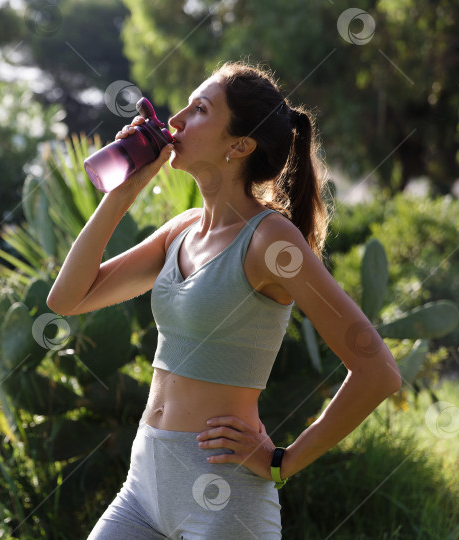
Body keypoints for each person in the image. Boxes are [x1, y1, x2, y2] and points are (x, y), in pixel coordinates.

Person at [46, 61, 401, 539]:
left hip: (223, 500)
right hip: (143, 486)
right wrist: (124, 190)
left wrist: (282, 461)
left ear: (239, 145)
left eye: (200, 109)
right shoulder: (181, 231)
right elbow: (67, 299)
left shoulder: (271, 241)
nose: (175, 121)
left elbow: (378, 370)